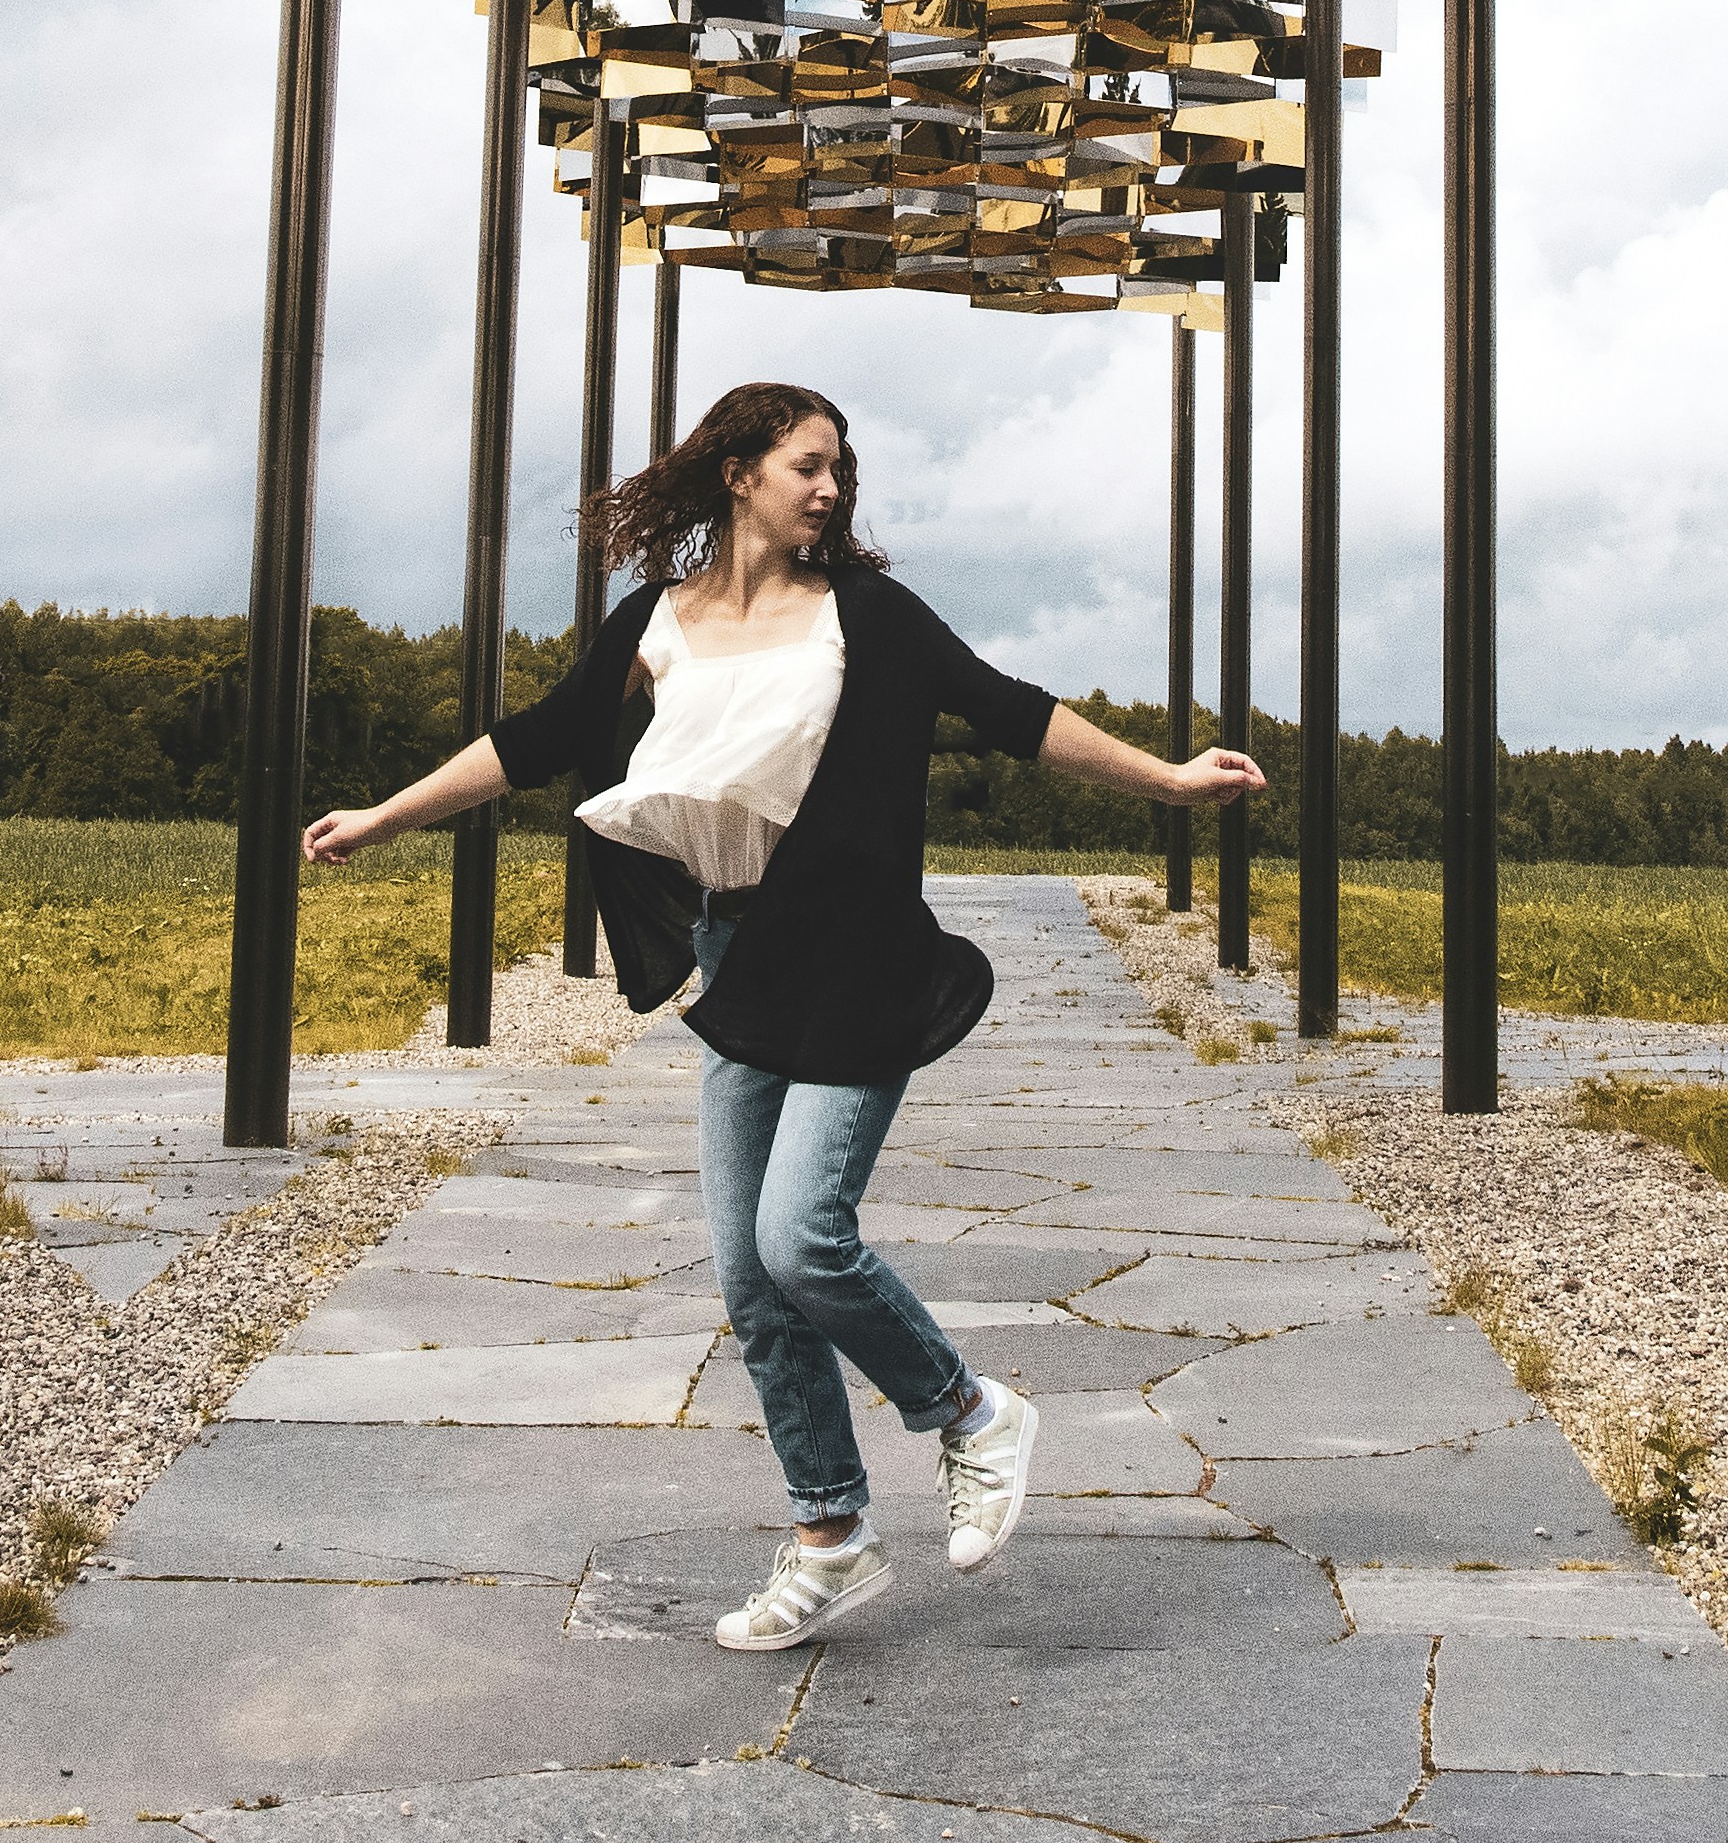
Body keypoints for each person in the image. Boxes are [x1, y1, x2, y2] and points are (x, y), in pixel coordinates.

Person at [306, 377, 1266, 1651]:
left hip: (857, 946)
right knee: (752, 1284)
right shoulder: (656, 620)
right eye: (808, 463)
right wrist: (381, 816)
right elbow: (535, 738)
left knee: (804, 1237)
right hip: (737, 946)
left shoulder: (863, 614)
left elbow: (1011, 710)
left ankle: (975, 1415)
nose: (829, 486)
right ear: (736, 471)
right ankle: (833, 1536)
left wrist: (1168, 781)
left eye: (837, 468)